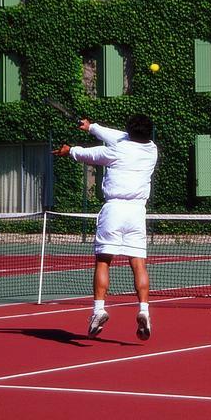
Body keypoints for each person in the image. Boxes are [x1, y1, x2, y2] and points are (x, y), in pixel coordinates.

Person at [52, 114, 158, 340]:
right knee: (138, 263)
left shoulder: (116, 152)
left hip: (114, 210)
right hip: (137, 212)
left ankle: (99, 310)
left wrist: (69, 151)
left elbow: (91, 154)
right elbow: (118, 136)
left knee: (103, 261)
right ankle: (144, 310)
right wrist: (91, 127)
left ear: (130, 132)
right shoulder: (152, 150)